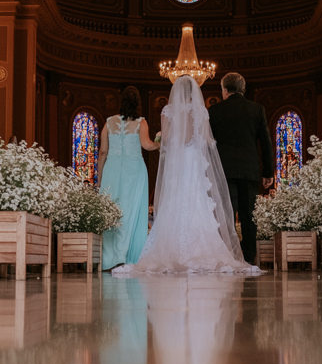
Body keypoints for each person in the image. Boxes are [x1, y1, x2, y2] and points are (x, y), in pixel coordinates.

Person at [113, 76, 261, 275]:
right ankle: (203, 248)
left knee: (175, 200)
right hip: (194, 160)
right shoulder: (200, 111)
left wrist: (161, 137)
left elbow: (165, 139)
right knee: (198, 200)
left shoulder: (168, 111)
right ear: (194, 93)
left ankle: (172, 250)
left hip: (177, 160)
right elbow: (208, 140)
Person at [207, 72, 274, 263]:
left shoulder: (215, 110)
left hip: (224, 171)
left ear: (224, 90)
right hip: (249, 170)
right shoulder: (257, 109)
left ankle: (228, 254)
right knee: (249, 215)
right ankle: (250, 256)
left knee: (227, 213)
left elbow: (209, 143)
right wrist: (268, 171)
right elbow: (266, 143)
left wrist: (208, 170)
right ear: (242, 89)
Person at [100, 86, 159, 271]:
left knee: (111, 211)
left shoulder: (109, 122)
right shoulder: (141, 122)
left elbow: (102, 152)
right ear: (137, 103)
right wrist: (160, 143)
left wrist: (100, 178)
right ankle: (124, 257)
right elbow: (147, 145)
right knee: (130, 212)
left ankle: (107, 260)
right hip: (134, 171)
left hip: (112, 168)